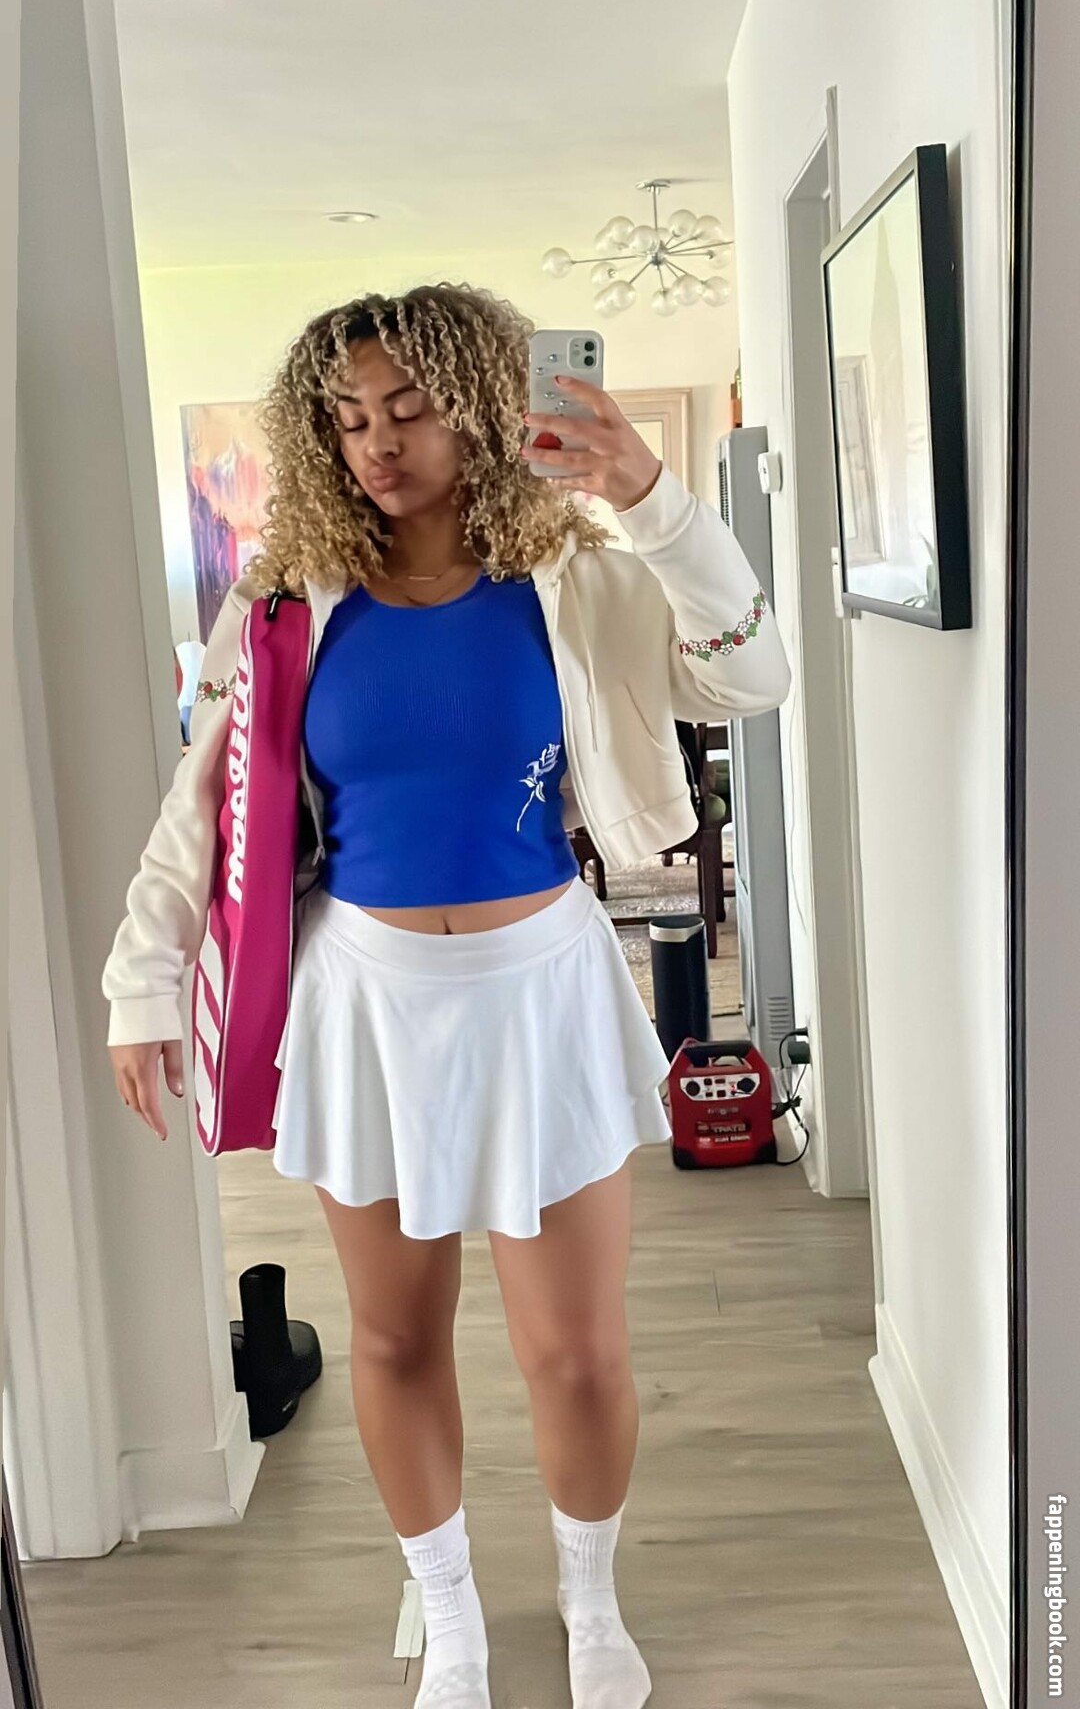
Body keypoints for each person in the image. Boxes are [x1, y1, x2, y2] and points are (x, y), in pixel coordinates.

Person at [103, 284, 790, 1709]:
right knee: (396, 1337)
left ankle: (591, 1604)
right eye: (349, 418)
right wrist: (143, 980)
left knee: (574, 1350)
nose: (378, 443)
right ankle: (455, 1619)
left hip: (543, 992)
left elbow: (755, 674)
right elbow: (207, 808)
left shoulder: (582, 585)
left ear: (479, 408)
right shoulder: (285, 606)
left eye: (409, 409)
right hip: (365, 1003)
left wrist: (652, 500)